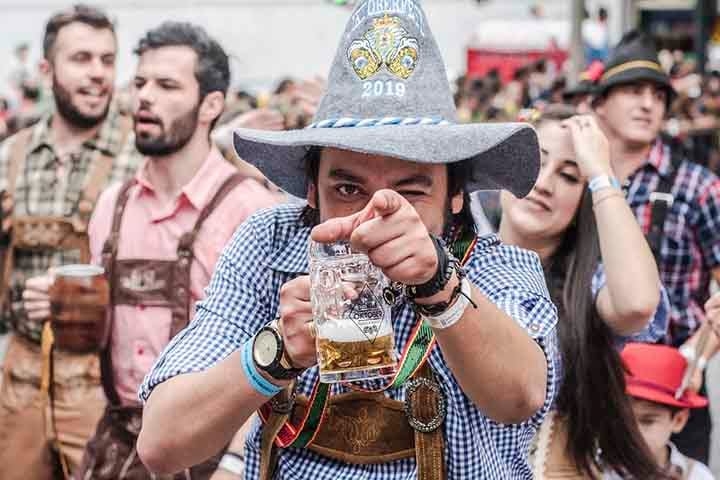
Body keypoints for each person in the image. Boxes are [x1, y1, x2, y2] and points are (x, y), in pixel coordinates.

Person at [137, 1, 561, 479]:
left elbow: (521, 398)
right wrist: (277, 351)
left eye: (409, 190)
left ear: (457, 196)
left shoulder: (494, 265)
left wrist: (438, 282)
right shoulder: (269, 243)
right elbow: (161, 443)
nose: (375, 214)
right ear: (311, 190)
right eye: (348, 188)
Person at [16, 21, 281, 479]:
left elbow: (280, 356)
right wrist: (64, 307)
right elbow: (106, 337)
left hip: (211, 455)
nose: (144, 97)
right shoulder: (111, 206)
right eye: (139, 83)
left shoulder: (251, 211)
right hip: (117, 447)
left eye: (166, 85)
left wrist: (238, 463)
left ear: (210, 105)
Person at [0, 5, 141, 479]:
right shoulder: (8, 157)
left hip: (103, 382)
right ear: (46, 70)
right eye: (82, 58)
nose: (98, 73)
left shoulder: (141, 157)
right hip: (19, 376)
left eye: (107, 60)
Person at [498, 105, 668, 478]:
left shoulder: (588, 288)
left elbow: (638, 304)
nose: (543, 183)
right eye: (535, 161)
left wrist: (601, 174)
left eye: (569, 176)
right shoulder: (452, 264)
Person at [593, 30, 720, 463]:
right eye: (632, 91)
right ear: (600, 103)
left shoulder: (699, 187)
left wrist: (696, 357)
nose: (648, 103)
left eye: (658, 95)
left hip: (671, 389)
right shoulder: (578, 183)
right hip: (595, 385)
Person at [605, 343, 715, 480]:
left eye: (647, 421)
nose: (632, 432)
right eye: (623, 420)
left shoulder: (698, 476)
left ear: (678, 420)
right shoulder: (590, 471)